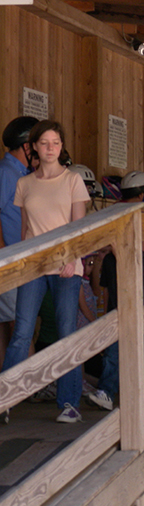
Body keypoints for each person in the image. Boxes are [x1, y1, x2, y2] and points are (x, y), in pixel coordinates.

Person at [1, 120, 90, 423]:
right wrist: (23, 263)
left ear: (61, 147)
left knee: (66, 332)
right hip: (34, 267)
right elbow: (26, 230)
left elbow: (80, 229)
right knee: (22, 331)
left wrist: (71, 259)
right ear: (33, 147)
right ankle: (5, 397)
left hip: (67, 267)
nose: (50, 148)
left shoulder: (73, 180)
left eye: (56, 143)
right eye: (44, 143)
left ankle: (69, 403)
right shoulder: (24, 184)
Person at [87, 170, 144, 411]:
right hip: (122, 273)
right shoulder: (137, 211)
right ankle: (133, 388)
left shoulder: (133, 211)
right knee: (127, 337)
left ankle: (135, 388)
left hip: (128, 270)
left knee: (135, 336)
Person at [0, 116, 39, 367]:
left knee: (9, 321)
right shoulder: (6, 173)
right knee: (21, 321)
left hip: (19, 257)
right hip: (9, 258)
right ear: (26, 146)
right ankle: (35, 380)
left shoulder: (22, 174)